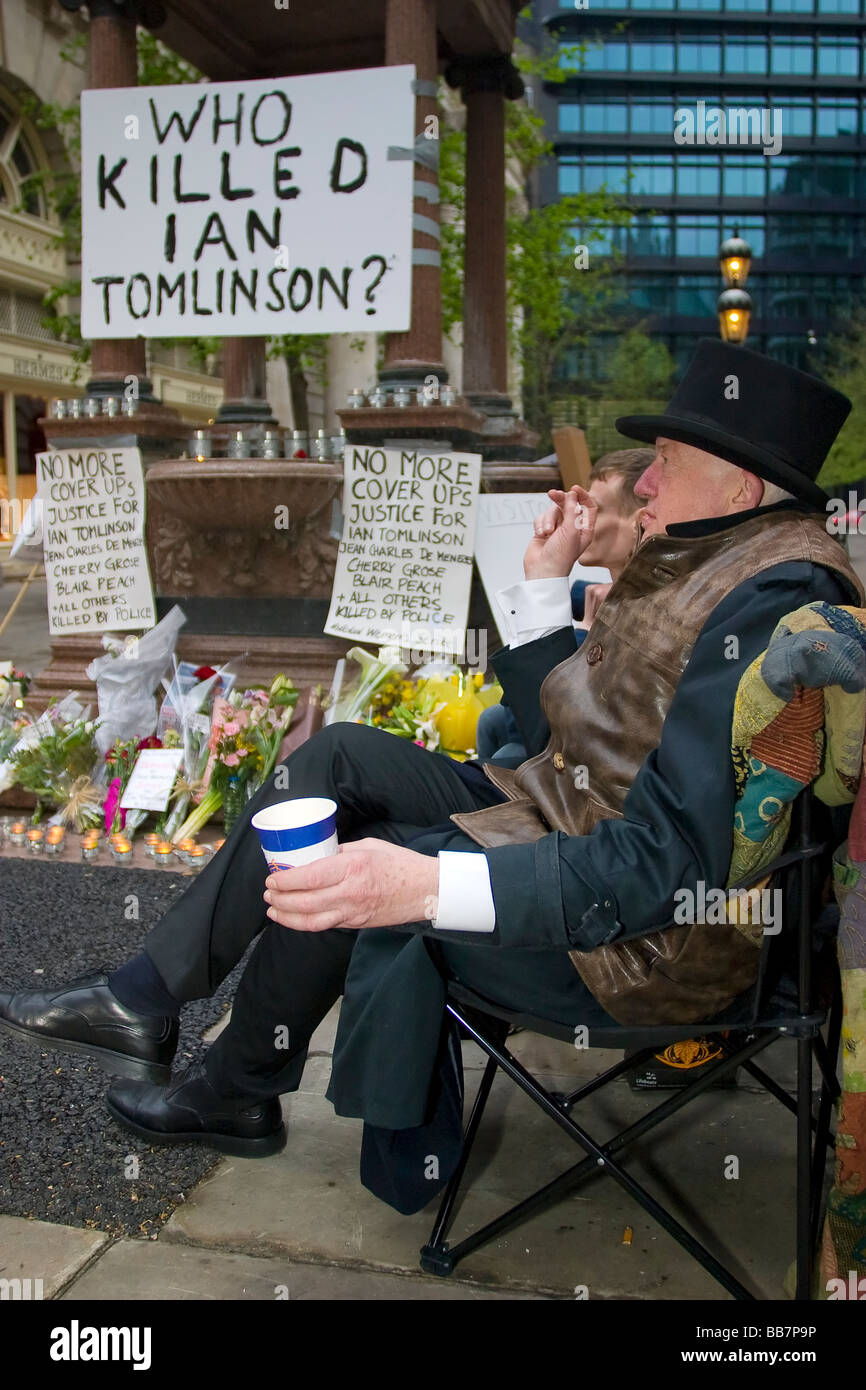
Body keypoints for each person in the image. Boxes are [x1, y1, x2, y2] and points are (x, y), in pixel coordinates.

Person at [0, 341, 862, 1185]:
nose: (643, 481)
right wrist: (538, 588)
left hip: (641, 948)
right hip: (560, 813)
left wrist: (419, 887)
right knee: (336, 756)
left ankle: (233, 1089)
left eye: (666, 461)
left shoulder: (774, 602)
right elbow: (568, 741)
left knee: (351, 875)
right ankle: (146, 997)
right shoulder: (714, 555)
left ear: (741, 486)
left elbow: (666, 869)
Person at [476, 447, 652, 765]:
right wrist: (544, 572)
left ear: (640, 522)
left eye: (593, 508)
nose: (579, 519)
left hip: (585, 769)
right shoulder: (600, 592)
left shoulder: (647, 609)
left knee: (507, 753)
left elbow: (531, 729)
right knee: (491, 723)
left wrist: (581, 637)